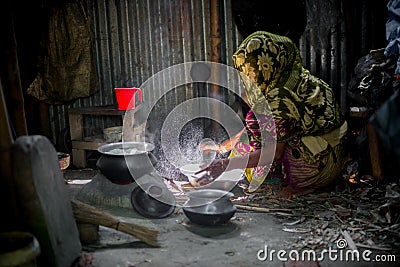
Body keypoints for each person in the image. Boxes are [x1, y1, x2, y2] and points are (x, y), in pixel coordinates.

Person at [197, 0, 349, 199]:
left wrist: (225, 165)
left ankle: (301, 186)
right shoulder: (296, 78)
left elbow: (272, 153)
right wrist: (220, 148)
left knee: (263, 158)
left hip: (320, 166)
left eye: (252, 70)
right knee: (251, 137)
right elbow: (256, 130)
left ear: (267, 65)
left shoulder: (279, 100)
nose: (249, 78)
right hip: (336, 154)